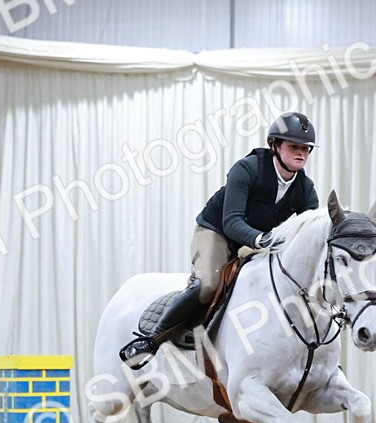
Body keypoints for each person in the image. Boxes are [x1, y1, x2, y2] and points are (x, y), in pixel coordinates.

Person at [120, 111, 320, 368]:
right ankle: (151, 339)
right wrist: (261, 240)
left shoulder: (306, 187)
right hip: (218, 232)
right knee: (209, 285)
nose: (301, 153)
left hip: (259, 242)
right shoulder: (247, 169)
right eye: (294, 146)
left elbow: (308, 230)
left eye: (306, 148)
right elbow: (232, 221)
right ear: (275, 145)